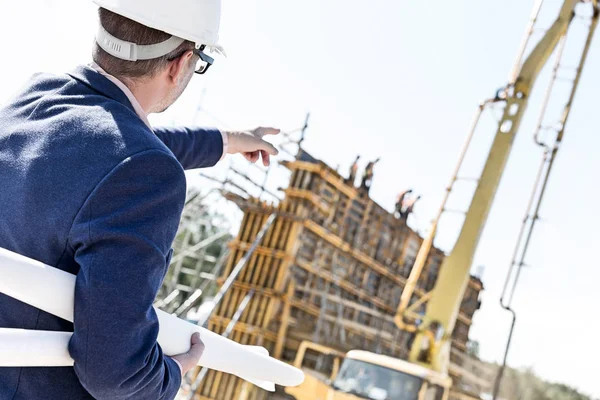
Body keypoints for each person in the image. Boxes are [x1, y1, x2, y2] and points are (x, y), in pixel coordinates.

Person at [0, 1, 279, 399]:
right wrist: (170, 376)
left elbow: (114, 147)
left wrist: (226, 142)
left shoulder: (34, 98)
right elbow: (115, 374)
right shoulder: (141, 169)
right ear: (180, 64)